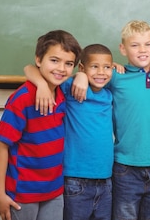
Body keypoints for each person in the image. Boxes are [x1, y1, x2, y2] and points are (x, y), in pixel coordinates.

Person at [32, 20, 150, 220]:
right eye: (135, 45)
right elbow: (36, 69)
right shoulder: (113, 77)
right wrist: (80, 75)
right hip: (122, 167)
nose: (142, 50)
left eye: (148, 44)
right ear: (123, 49)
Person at [0, 30, 81, 220]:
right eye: (54, 60)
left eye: (68, 64)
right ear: (39, 60)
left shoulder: (63, 91)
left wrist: (81, 76)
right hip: (23, 194)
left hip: (54, 191)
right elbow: (0, 146)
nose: (61, 68)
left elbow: (94, 70)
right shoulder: (22, 99)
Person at [61, 44, 114, 220]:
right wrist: (80, 76)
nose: (101, 72)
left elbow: (133, 76)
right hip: (76, 179)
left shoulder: (109, 94)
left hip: (106, 179)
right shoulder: (71, 88)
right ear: (82, 67)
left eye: (107, 67)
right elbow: (34, 70)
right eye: (94, 66)